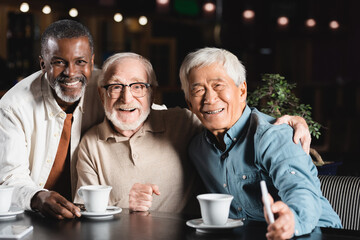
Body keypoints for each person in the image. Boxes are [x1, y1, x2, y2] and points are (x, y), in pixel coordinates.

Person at [75, 52, 312, 214]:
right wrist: (125, 203)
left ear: (152, 94)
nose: (127, 98)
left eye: (138, 87)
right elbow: (84, 211)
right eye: (116, 87)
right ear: (101, 94)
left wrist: (290, 122)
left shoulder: (183, 122)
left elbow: (230, 123)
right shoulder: (89, 143)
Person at [179, 47, 342, 239]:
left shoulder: (273, 136)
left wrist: (291, 221)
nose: (209, 98)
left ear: (242, 91)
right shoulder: (197, 149)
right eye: (198, 90)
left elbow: (300, 189)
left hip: (314, 232)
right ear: (189, 103)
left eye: (218, 86)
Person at [0, 19, 104, 219]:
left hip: (92, 215)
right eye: (58, 62)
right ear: (42, 64)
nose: (71, 72)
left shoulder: (108, 87)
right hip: (31, 217)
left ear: (92, 62)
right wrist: (37, 197)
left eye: (80, 62)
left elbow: (141, 107)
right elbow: (10, 176)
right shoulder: (13, 106)